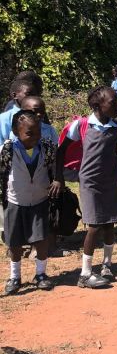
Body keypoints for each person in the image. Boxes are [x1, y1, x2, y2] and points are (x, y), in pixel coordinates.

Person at [57, 87, 117, 289]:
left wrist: (116, 173)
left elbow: (113, 152)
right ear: (97, 106)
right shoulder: (82, 125)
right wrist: (58, 177)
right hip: (90, 182)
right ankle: (85, 274)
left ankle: (107, 265)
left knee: (110, 223)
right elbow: (61, 152)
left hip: (110, 180)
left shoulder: (116, 127)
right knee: (94, 225)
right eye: (113, 103)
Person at [1, 110, 62, 295]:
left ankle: (41, 274)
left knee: (41, 238)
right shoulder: (8, 149)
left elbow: (56, 165)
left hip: (39, 200)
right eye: (29, 133)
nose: (35, 137)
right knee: (14, 241)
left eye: (37, 132)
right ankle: (15, 276)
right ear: (15, 130)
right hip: (15, 201)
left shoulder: (47, 146)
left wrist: (58, 180)